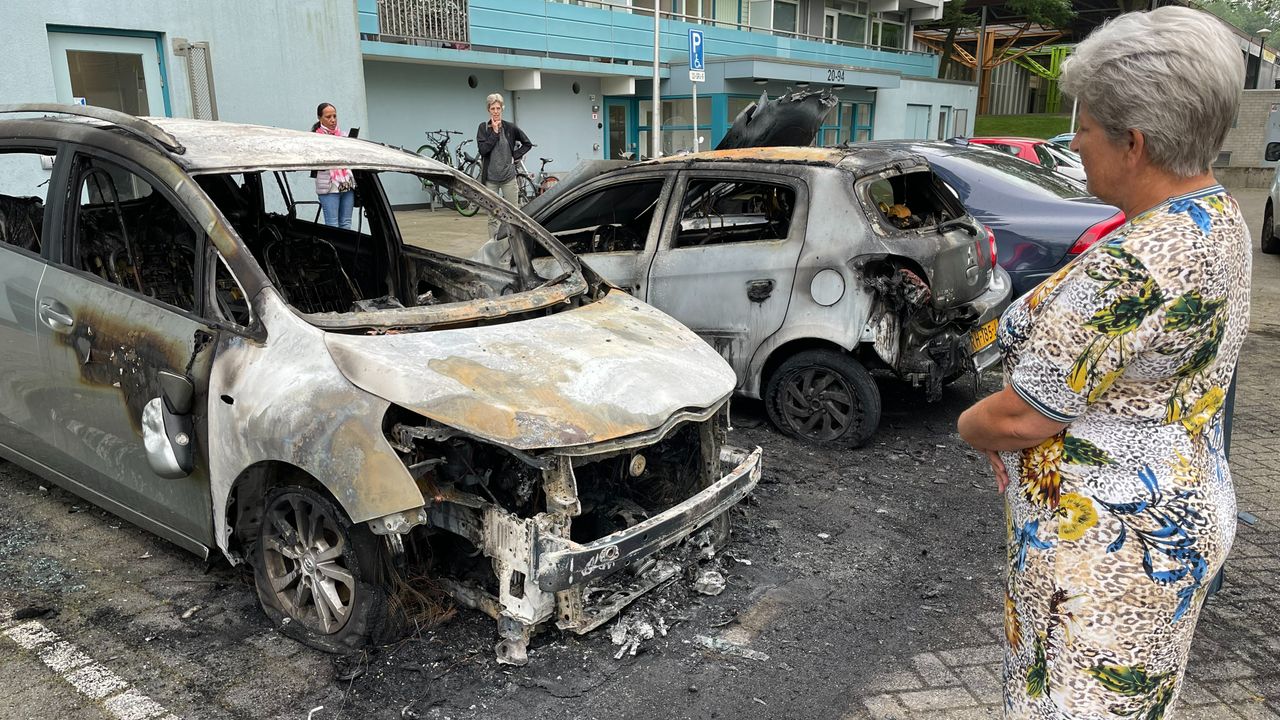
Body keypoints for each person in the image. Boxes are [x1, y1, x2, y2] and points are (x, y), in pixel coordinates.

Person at [956, 8, 1249, 718]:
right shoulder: (1217, 220)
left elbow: (1023, 416)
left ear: (1135, 144)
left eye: (1082, 128)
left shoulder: (1133, 269)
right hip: (1183, 508)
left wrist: (969, 424)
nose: (1073, 142)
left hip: (1106, 556)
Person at [476, 93, 531, 238]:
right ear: (488, 109)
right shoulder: (483, 128)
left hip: (508, 178)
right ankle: (492, 247)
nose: (495, 111)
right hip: (491, 180)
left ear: (502, 109)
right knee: (492, 218)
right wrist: (494, 132)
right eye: (492, 108)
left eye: (498, 108)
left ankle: (512, 246)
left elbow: (527, 143)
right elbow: (483, 150)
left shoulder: (510, 128)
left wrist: (515, 155)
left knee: (513, 215)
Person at [311, 102, 356, 229]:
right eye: (328, 117)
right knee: (332, 225)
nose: (332, 120)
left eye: (335, 116)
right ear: (320, 118)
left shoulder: (343, 135)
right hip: (329, 187)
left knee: (346, 223)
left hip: (347, 185)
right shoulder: (315, 138)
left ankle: (346, 249)